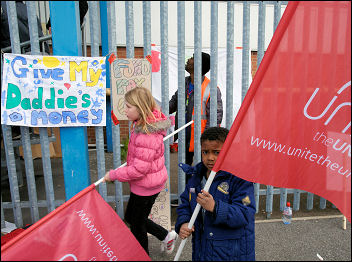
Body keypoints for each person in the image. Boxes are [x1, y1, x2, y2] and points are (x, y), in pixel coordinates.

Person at [103, 87, 178, 255]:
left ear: (141, 107)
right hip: (148, 183)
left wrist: (114, 175)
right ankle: (166, 236)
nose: (125, 110)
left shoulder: (146, 133)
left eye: (128, 106)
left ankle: (142, 255)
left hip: (146, 186)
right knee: (134, 218)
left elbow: (139, 170)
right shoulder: (142, 125)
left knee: (137, 225)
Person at [175, 127, 256, 261]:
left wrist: (215, 207)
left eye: (216, 152)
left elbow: (245, 213)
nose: (210, 158)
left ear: (229, 151)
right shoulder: (196, 176)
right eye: (205, 152)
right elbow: (185, 203)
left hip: (230, 253)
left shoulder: (239, 179)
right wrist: (184, 222)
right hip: (203, 249)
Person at [169, 52, 223, 181]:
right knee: (185, 170)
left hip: (201, 138)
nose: (189, 59)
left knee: (204, 171)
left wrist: (208, 139)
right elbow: (172, 104)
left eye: (192, 58)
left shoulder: (211, 88)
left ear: (199, 65)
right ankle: (188, 197)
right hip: (184, 135)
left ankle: (202, 197)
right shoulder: (185, 83)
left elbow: (215, 116)